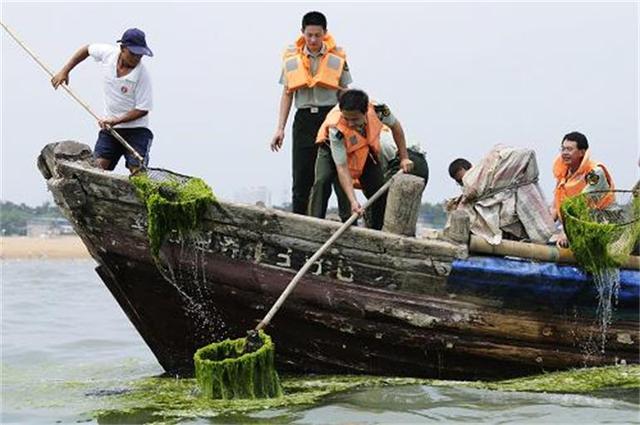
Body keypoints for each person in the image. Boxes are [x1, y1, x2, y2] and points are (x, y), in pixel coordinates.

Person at [270, 11, 352, 218]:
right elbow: (287, 94)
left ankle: (341, 221)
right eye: (309, 35)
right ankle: (299, 224)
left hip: (331, 118)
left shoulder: (337, 58)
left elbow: (346, 92)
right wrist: (280, 128)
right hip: (304, 119)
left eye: (318, 35)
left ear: (325, 33)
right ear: (302, 33)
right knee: (301, 177)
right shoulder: (292, 59)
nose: (313, 40)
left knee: (331, 175)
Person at [51, 28, 154, 172]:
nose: (136, 58)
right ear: (122, 48)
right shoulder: (108, 54)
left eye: (140, 55)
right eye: (133, 54)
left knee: (136, 170)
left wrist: (116, 120)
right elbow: (87, 50)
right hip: (110, 130)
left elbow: (143, 109)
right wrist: (65, 71)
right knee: (97, 168)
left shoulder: (142, 75)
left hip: (136, 131)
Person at [312, 89, 413, 230]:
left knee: (378, 188)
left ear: (365, 111)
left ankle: (377, 230)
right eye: (347, 119)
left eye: (355, 119)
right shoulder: (335, 128)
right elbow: (342, 167)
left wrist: (404, 158)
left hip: (364, 147)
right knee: (323, 180)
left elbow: (396, 128)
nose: (351, 123)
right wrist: (354, 201)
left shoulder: (379, 109)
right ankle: (314, 224)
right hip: (330, 150)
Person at [445, 145, 556, 245]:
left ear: (471, 169)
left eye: (462, 179)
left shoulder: (483, 174)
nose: (463, 183)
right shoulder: (472, 192)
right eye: (459, 182)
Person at [552, 131, 615, 247]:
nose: (565, 153)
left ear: (582, 152)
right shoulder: (563, 174)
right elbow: (555, 208)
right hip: (570, 225)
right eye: (563, 149)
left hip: (597, 224)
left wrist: (566, 233)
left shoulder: (595, 173)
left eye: (569, 149)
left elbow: (581, 205)